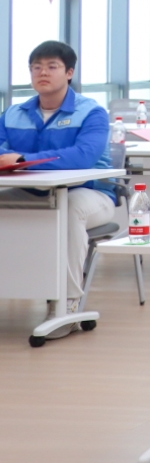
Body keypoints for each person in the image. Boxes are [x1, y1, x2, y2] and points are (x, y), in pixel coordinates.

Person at [0, 41, 115, 310]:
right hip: (33, 193)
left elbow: (83, 156)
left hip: (90, 193)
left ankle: (67, 302)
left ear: (69, 73)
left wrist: (23, 160)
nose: (43, 72)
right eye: (36, 67)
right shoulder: (13, 114)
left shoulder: (92, 112)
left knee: (69, 209)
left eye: (52, 67)